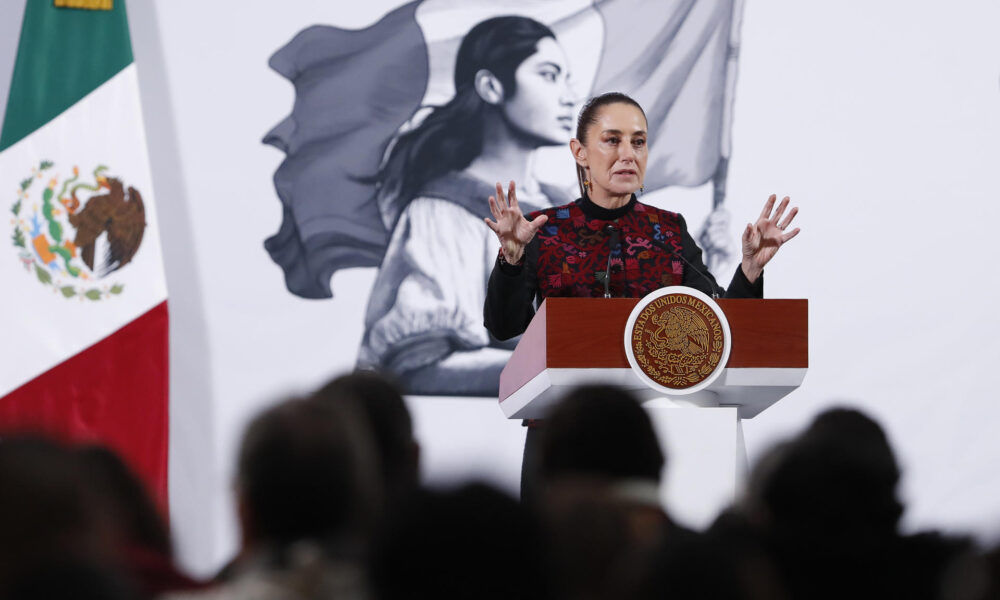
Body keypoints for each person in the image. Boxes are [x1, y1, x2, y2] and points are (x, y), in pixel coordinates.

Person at [356, 16, 576, 396]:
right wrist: (569, 376)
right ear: (491, 87)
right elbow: (419, 366)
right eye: (549, 75)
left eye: (566, 78)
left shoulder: (567, 207)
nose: (570, 96)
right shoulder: (444, 212)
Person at [484, 92, 801, 340]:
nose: (628, 155)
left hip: (653, 414)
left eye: (638, 143)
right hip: (567, 415)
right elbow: (505, 327)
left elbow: (720, 326)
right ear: (580, 152)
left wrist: (749, 270)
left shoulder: (668, 231)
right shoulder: (544, 229)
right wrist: (511, 262)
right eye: (612, 141)